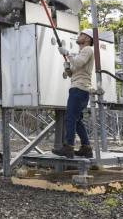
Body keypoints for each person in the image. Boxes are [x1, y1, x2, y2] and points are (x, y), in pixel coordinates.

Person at [51, 29, 95, 159]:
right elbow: (73, 72)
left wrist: (68, 53)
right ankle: (86, 148)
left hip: (79, 88)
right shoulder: (82, 53)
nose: (79, 36)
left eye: (81, 34)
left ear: (87, 38)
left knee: (70, 117)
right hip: (79, 88)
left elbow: (78, 63)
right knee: (77, 120)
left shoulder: (87, 50)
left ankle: (68, 147)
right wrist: (67, 68)